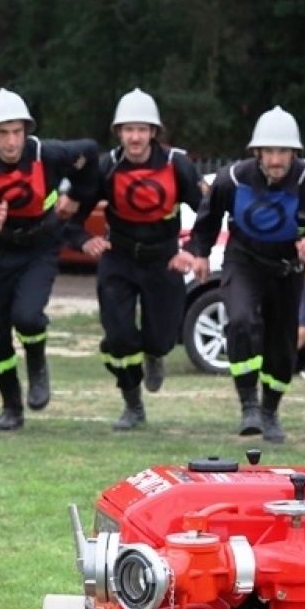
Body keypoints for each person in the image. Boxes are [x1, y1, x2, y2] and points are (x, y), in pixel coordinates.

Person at [187, 106, 305, 444]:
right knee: (241, 320)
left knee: (282, 346)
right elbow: (208, 217)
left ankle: (270, 411)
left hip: (287, 270)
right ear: (257, 152)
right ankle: (249, 405)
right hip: (243, 261)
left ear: (294, 153)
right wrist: (200, 254)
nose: (275, 159)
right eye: (269, 151)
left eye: (283, 152)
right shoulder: (233, 178)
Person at [0, 89, 99, 430]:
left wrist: (76, 196)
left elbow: (90, 151)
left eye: (17, 132)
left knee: (27, 316)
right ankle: (11, 407)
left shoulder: (46, 152)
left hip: (41, 244)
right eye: (4, 133)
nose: (12, 142)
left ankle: (37, 366)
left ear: (26, 131)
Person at [72, 89, 205, 430]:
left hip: (164, 259)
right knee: (119, 337)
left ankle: (155, 355)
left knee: (162, 338)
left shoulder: (177, 164)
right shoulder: (105, 167)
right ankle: (132, 404)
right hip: (118, 259)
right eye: (128, 129)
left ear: (153, 132)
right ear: (118, 132)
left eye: (142, 130)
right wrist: (84, 240)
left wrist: (192, 250)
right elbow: (72, 215)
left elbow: (208, 211)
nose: (135, 137)